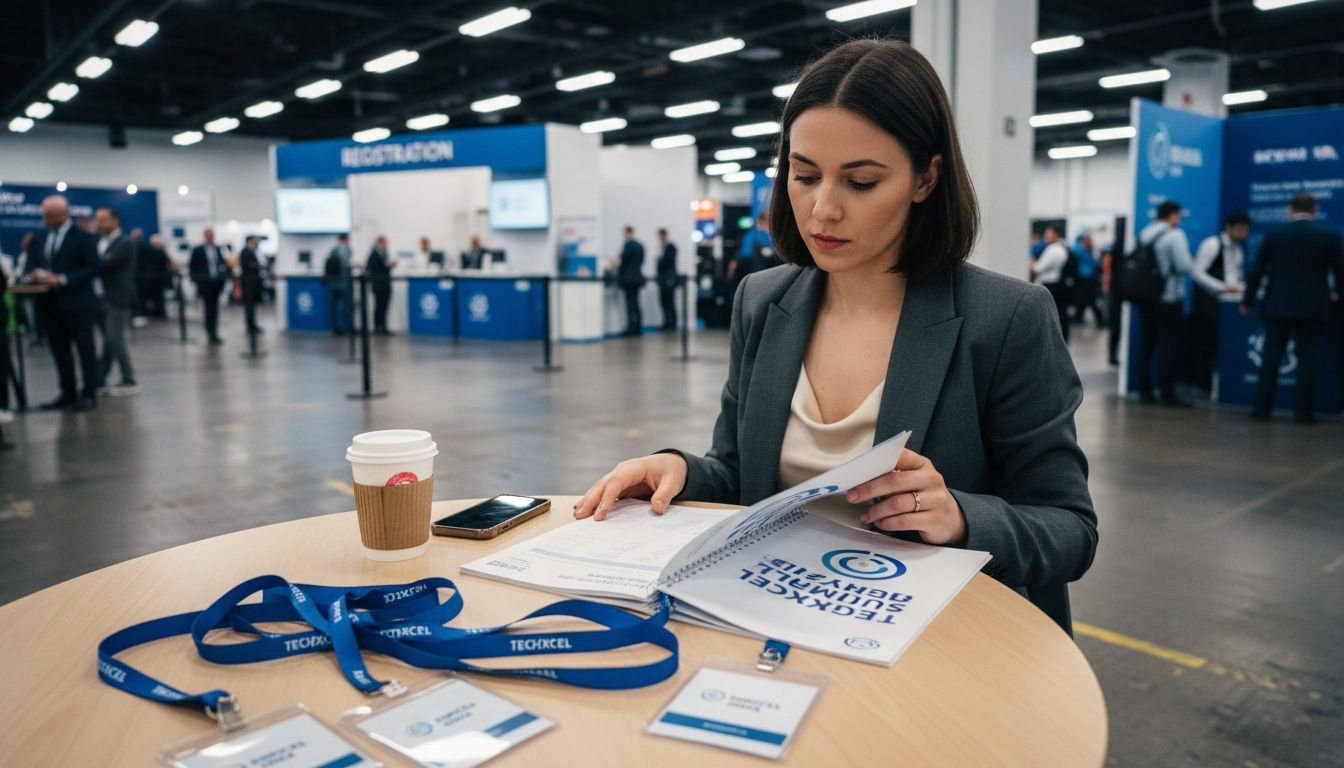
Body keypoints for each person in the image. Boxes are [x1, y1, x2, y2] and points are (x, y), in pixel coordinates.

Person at [572, 39, 1096, 633]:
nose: (822, 209)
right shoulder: (763, 301)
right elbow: (744, 474)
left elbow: (1069, 530)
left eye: (862, 183)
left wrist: (958, 518)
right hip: (776, 618)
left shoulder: (1006, 318)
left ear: (926, 178)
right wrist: (677, 470)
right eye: (804, 175)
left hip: (937, 643)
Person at [1242, 193, 1344, 424]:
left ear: (1291, 210)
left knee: (1271, 357)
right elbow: (1340, 274)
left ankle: (1261, 409)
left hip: (1277, 305)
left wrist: (1248, 300)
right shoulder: (1329, 236)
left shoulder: (1275, 233)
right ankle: (1304, 413)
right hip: (1313, 307)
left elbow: (1257, 270)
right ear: (1315, 210)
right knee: (1308, 360)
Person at [23, 195, 102, 411]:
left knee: (85, 349)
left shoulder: (82, 237)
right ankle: (67, 393)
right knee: (59, 350)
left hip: (78, 303)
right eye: (45, 216)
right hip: (49, 303)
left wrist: (63, 278)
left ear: (66, 214)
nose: (48, 220)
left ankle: (89, 393)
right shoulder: (39, 237)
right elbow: (31, 263)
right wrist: (34, 275)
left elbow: (94, 267)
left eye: (52, 216)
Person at [1135, 200, 1194, 407]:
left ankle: (1145, 390)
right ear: (1173, 215)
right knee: (1168, 346)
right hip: (1168, 297)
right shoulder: (1175, 235)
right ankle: (1167, 393)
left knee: (1147, 343)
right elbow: (1184, 266)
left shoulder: (1146, 233)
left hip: (1146, 296)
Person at [1190, 211, 1250, 393]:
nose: (1242, 234)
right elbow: (1197, 273)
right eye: (1239, 229)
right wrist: (1223, 287)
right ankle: (1202, 382)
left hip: (1228, 301)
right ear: (1228, 228)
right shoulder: (1212, 244)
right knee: (1205, 342)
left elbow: (1234, 272)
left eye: (1245, 230)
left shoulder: (1238, 248)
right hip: (1209, 300)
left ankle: (1219, 382)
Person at [94, 207, 138, 395]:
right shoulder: (101, 244)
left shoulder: (124, 243)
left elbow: (106, 264)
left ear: (115, 221)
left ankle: (129, 379)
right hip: (100, 297)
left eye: (103, 219)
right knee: (108, 341)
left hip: (118, 298)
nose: (99, 223)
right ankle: (100, 378)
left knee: (115, 338)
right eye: (97, 219)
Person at [188, 228, 232, 345]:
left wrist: (224, 277)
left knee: (214, 308)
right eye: (208, 235)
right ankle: (210, 332)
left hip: (216, 283)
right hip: (205, 284)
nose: (210, 238)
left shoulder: (218, 249)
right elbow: (192, 267)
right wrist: (197, 281)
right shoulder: (198, 250)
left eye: (212, 235)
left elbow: (223, 264)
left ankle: (214, 333)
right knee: (209, 308)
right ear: (205, 237)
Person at [1031, 225, 1071, 342]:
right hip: (1056, 285)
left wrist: (1032, 262)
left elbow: (1038, 268)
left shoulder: (1053, 250)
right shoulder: (1061, 248)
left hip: (1051, 285)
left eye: (1049, 233)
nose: (1045, 236)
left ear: (1056, 234)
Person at [616, 225, 645, 336]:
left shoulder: (628, 245)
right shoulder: (639, 245)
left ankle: (631, 328)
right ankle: (637, 326)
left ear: (627, 232)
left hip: (628, 279)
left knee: (630, 304)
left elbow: (623, 261)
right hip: (637, 278)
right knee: (636, 303)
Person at [1071, 232, 1104, 329]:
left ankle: (1099, 320)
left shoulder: (1089, 251)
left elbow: (1097, 264)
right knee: (1083, 299)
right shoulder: (1080, 250)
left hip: (1089, 279)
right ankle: (1079, 317)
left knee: (1090, 300)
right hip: (1083, 279)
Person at [324, 233, 354, 334]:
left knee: (347, 306)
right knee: (336, 306)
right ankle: (336, 327)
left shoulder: (349, 250)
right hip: (337, 282)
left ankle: (347, 327)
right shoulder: (335, 251)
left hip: (346, 281)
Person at [136, 233, 171, 319]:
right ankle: (156, 314)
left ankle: (159, 314)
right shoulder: (150, 251)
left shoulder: (158, 252)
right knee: (155, 299)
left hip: (158, 279)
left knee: (158, 299)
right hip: (152, 279)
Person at [366, 235, 395, 335]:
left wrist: (389, 265)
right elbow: (370, 268)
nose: (385, 245)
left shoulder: (385, 254)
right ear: (379, 243)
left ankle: (384, 327)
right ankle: (377, 328)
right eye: (384, 243)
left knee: (384, 307)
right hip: (378, 285)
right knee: (378, 307)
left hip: (386, 284)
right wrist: (385, 265)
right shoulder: (373, 255)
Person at [238, 234, 265, 335]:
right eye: (256, 240)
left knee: (253, 305)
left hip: (255, 282)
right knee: (249, 305)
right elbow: (246, 265)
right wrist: (258, 265)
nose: (258, 242)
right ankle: (250, 326)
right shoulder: (245, 251)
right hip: (249, 282)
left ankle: (253, 325)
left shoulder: (255, 251)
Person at [656, 227, 679, 331]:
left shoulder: (670, 247)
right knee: (664, 302)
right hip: (663, 279)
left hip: (668, 279)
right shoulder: (663, 247)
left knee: (669, 302)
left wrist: (660, 261)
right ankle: (667, 322)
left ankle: (671, 323)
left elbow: (666, 262)